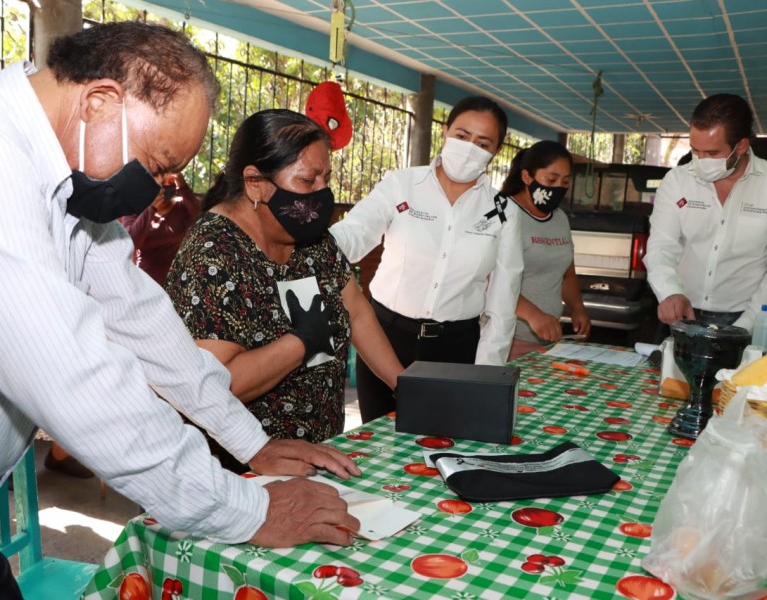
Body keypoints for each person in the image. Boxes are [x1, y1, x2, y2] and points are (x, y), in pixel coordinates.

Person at [0, 22, 360, 599]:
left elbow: (142, 322)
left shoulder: (61, 178)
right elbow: (79, 380)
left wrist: (250, 442)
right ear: (101, 102)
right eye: (156, 165)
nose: (157, 190)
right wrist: (246, 508)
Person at [165, 109, 404, 472]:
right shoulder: (213, 257)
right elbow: (215, 387)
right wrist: (302, 341)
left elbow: (355, 309)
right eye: (307, 181)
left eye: (326, 178)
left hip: (317, 451)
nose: (322, 193)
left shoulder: (310, 236)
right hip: (241, 470)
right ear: (255, 184)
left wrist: (402, 385)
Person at [330, 96, 523, 423]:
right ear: (445, 131)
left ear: (495, 152)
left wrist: (486, 375)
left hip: (455, 348)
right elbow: (356, 232)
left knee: (441, 440)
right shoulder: (402, 185)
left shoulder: (503, 211)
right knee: (378, 441)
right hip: (384, 338)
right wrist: (314, 246)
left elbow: (503, 304)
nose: (469, 147)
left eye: (482, 142)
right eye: (462, 136)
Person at [644, 93, 767, 334]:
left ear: (741, 146)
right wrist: (670, 292)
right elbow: (661, 246)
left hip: (749, 318)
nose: (700, 161)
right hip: (682, 314)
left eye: (711, 154)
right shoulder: (677, 180)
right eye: (695, 151)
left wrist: (745, 326)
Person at [500, 141, 591, 360]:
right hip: (505, 340)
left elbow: (566, 273)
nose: (558, 187)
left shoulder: (559, 218)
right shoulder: (500, 212)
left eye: (565, 182)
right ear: (527, 177)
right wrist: (533, 315)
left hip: (548, 342)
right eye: (551, 179)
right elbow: (489, 279)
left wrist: (577, 308)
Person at [121, 172, 202, 285]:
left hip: (180, 278)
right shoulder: (135, 210)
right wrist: (151, 208)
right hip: (149, 282)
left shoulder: (182, 206)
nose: (164, 187)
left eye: (168, 181)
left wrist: (183, 187)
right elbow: (132, 242)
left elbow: (203, 219)